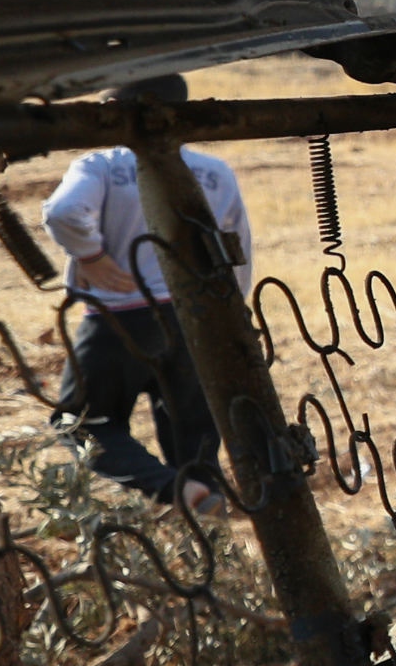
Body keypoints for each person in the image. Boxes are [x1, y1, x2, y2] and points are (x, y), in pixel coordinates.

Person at [39, 74, 250, 515]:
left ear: (115, 106)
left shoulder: (101, 164)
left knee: (80, 423)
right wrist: (229, 315)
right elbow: (234, 249)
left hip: (120, 319)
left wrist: (91, 255)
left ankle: (172, 490)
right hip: (193, 318)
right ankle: (206, 523)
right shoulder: (214, 171)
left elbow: (62, 211)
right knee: (192, 434)